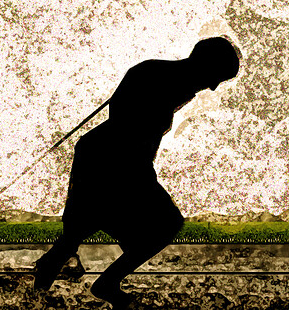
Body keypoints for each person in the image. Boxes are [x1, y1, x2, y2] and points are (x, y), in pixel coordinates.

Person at [33, 36, 241, 309]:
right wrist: (138, 171)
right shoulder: (163, 79)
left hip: (105, 156)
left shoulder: (161, 75)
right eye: (216, 78)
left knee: (78, 232)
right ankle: (99, 284)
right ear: (204, 64)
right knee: (166, 224)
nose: (212, 87)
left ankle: (35, 299)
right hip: (112, 161)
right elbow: (130, 129)